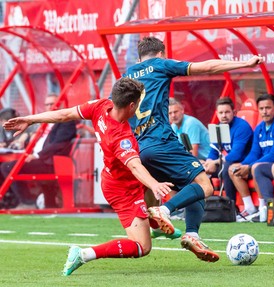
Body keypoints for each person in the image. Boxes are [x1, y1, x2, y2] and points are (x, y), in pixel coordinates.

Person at [3, 78, 175, 276]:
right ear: (132, 105)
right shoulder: (120, 137)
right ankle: (83, 254)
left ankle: (155, 223)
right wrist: (154, 184)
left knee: (151, 170)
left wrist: (31, 119)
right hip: (123, 190)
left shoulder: (101, 105)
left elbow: (65, 114)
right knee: (142, 247)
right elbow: (135, 166)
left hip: (117, 179)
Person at [123, 36, 263, 262]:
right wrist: (245, 64)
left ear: (139, 58)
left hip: (139, 150)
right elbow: (206, 67)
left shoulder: (126, 75)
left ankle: (190, 234)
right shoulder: (161, 64)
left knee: (190, 186)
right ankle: (165, 212)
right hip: (162, 141)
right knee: (204, 185)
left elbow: (116, 114)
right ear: (162, 54)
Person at [0, 94, 77, 209]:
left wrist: (36, 155)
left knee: (8, 167)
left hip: (50, 161)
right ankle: (12, 201)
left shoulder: (66, 122)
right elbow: (30, 134)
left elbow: (59, 145)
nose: (50, 107)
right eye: (47, 104)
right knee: (4, 165)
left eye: (52, 104)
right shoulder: (44, 123)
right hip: (39, 158)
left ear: (59, 104)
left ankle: (27, 202)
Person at [228, 93, 274, 222]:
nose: (265, 111)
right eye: (261, 109)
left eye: (268, 108)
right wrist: (244, 165)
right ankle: (250, 208)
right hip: (261, 164)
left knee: (256, 168)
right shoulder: (259, 128)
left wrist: (250, 166)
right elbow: (254, 153)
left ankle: (263, 209)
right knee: (233, 169)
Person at [202, 97, 253, 201]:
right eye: (221, 113)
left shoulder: (241, 126)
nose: (224, 115)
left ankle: (231, 206)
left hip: (244, 161)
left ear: (234, 112)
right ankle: (208, 204)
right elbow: (213, 151)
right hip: (228, 161)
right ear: (217, 113)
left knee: (226, 168)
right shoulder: (219, 127)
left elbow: (236, 154)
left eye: (227, 112)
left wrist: (215, 162)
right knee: (200, 169)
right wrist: (208, 163)